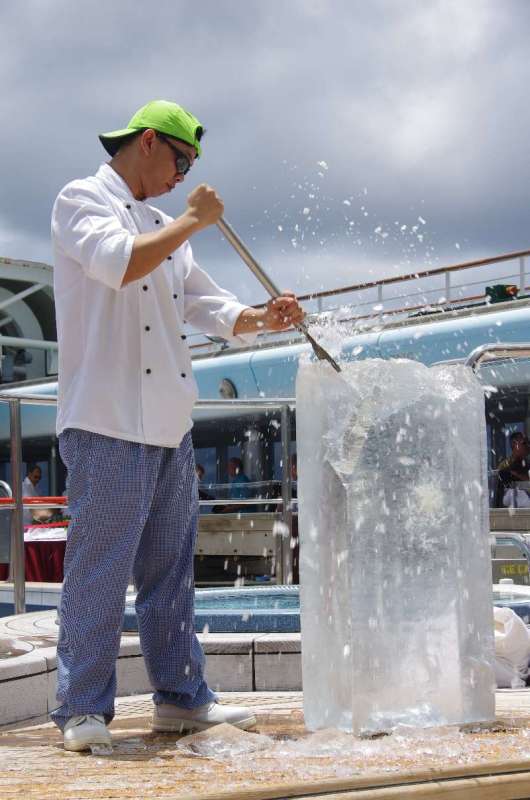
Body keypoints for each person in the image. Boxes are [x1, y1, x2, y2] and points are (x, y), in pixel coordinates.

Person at [51, 99, 305, 752]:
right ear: (147, 141)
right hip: (106, 419)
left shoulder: (168, 227)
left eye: (190, 166)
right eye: (181, 160)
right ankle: (82, 708)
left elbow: (207, 304)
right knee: (99, 571)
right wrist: (193, 219)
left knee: (172, 575)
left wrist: (262, 317)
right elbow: (119, 262)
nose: (183, 175)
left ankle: (181, 698)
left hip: (169, 423)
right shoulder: (81, 200)